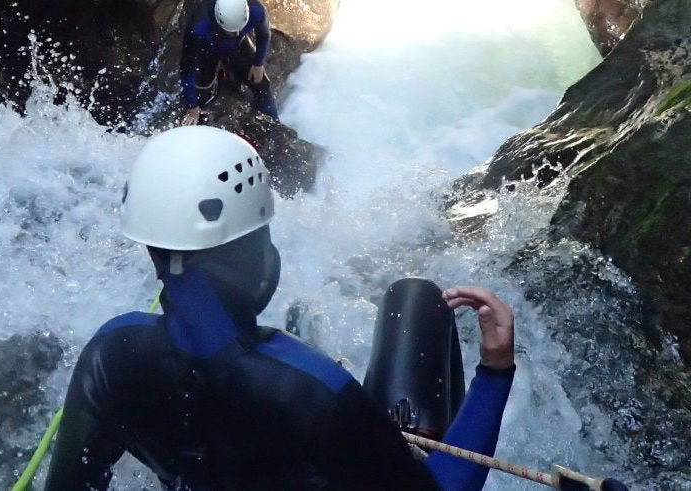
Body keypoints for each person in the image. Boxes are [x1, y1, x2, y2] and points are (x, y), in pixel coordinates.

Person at [43, 126, 522, 490]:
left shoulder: (111, 353)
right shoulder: (314, 391)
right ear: (255, 253)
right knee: (415, 298)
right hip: (345, 442)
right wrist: (495, 370)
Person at [180, 0, 279, 125]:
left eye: (240, 27)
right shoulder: (198, 26)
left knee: (262, 84)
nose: (236, 33)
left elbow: (264, 34)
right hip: (207, 51)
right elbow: (187, 68)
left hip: (237, 45)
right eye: (232, 31)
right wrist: (192, 106)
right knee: (200, 99)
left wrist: (258, 63)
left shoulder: (256, 10)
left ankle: (274, 124)